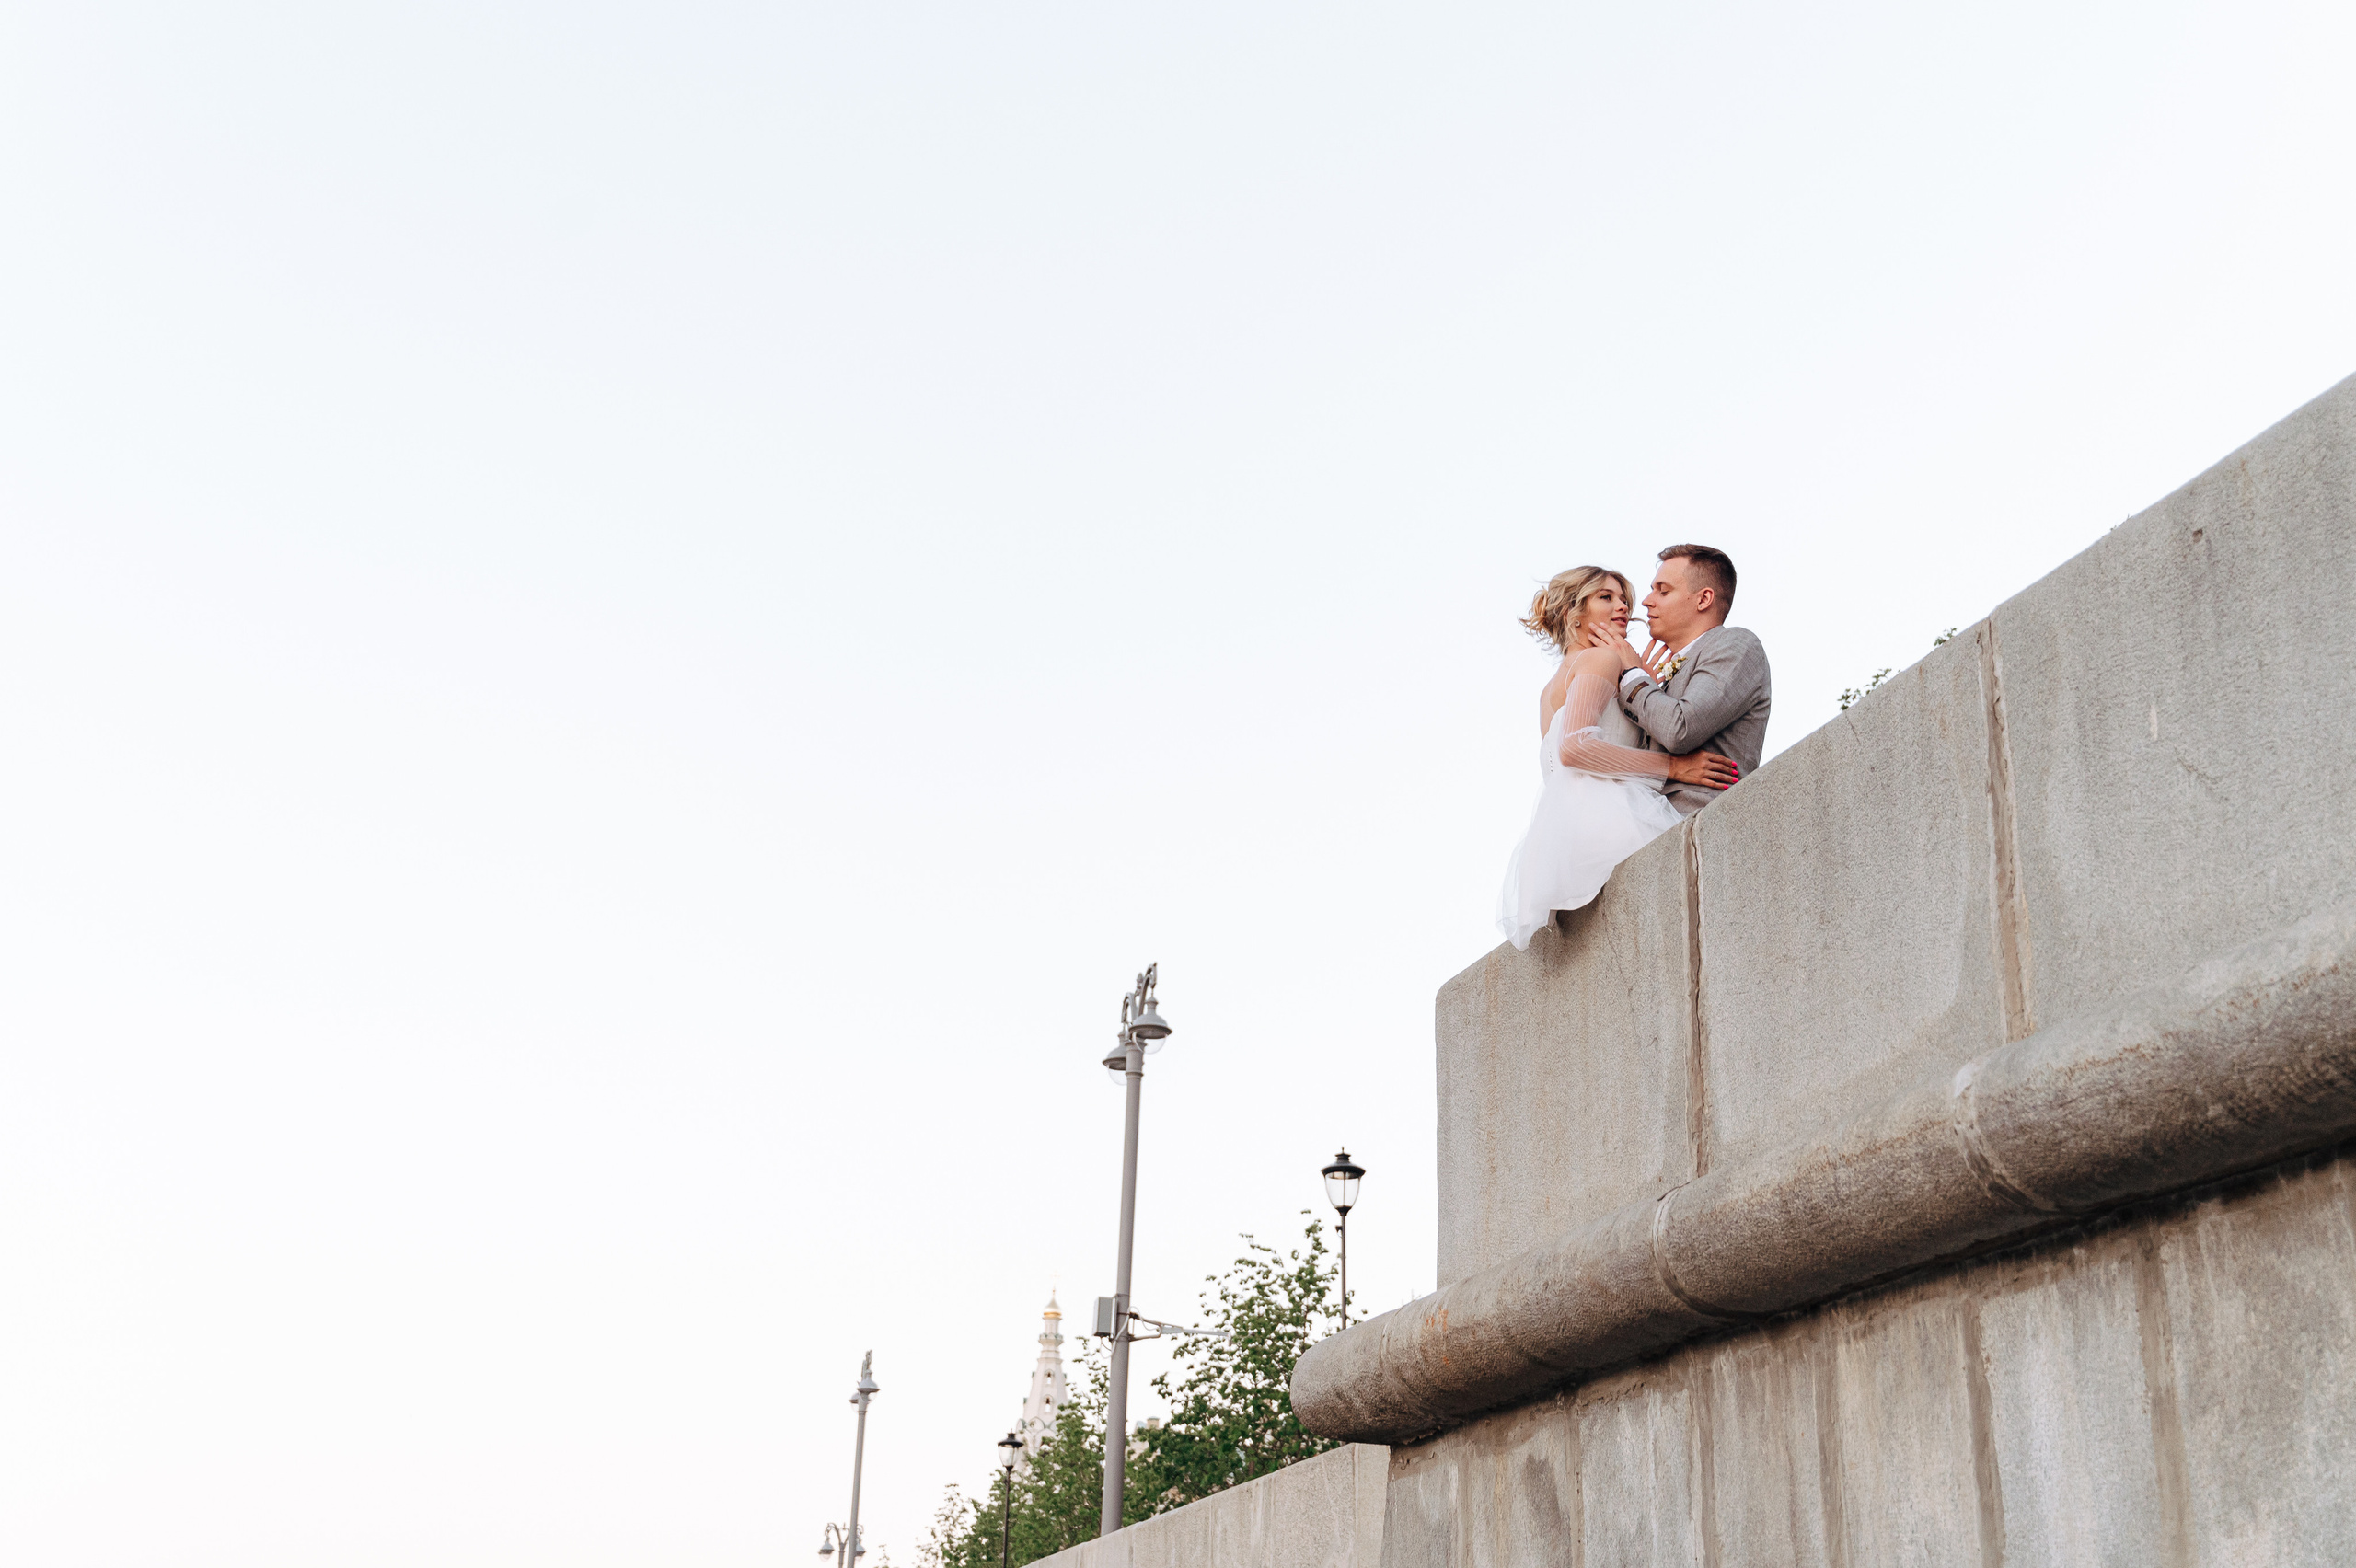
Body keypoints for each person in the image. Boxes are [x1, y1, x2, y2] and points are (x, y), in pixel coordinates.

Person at [1496, 566, 1738, 951]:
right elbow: (1574, 749)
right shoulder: (1600, 661)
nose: (1624, 605)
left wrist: (1640, 683)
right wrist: (1673, 767)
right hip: (1616, 818)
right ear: (1573, 613)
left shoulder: (1548, 691)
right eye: (1606, 597)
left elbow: (1555, 770)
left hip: (1564, 835)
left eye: (1624, 597)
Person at [1599, 545, 1772, 818]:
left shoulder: (1737, 645)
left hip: (1703, 824)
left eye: (1663, 591)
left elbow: (1682, 728)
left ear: (1703, 599)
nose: (1645, 601)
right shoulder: (1654, 677)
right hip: (1643, 826)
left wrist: (1633, 676)